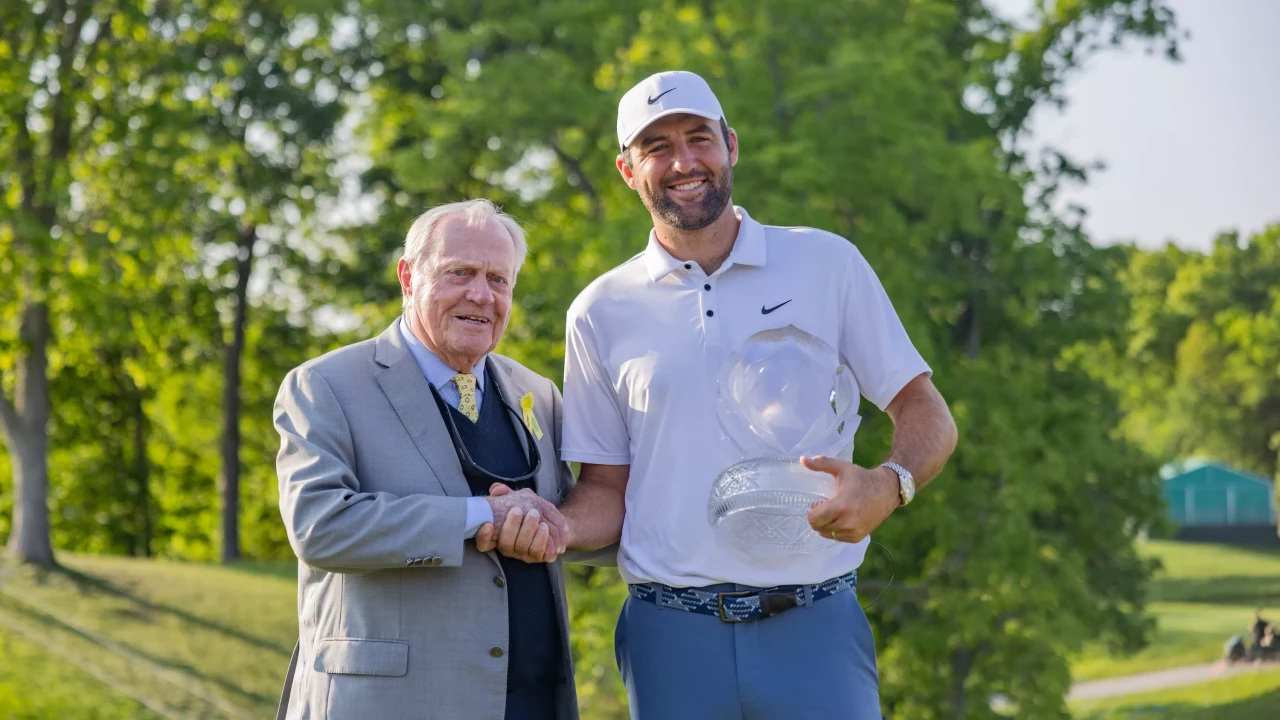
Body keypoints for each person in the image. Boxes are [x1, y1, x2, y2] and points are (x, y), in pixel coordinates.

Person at [538, 70, 956, 718]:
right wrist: (554, 526)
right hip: (668, 637)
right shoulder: (599, 310)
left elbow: (924, 409)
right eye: (657, 147)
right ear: (627, 171)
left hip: (816, 625)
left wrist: (888, 484)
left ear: (731, 145)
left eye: (699, 138)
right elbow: (606, 490)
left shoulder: (827, 264)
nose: (684, 162)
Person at [273, 199, 582, 720]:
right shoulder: (326, 385)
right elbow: (320, 526)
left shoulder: (538, 394)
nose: (480, 294)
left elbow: (569, 516)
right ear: (407, 277)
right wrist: (481, 514)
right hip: (391, 704)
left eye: (498, 279)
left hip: (530, 701)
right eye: (459, 272)